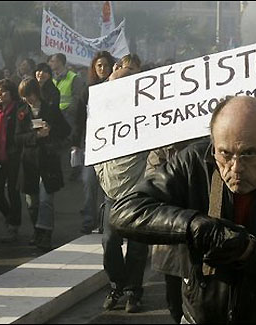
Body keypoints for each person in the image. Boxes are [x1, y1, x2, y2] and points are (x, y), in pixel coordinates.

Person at [111, 96, 256, 323]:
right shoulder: (195, 162)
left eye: (248, 154)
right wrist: (192, 226)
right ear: (213, 144)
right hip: (200, 316)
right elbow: (125, 211)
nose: (236, 168)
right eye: (225, 154)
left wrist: (249, 251)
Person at [94, 55, 150, 313]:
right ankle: (117, 284)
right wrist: (101, 171)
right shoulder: (103, 103)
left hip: (138, 189)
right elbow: (96, 141)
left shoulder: (148, 105)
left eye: (130, 72)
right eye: (120, 69)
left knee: (138, 246)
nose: (123, 74)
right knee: (109, 242)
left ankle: (132, 293)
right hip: (111, 189)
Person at [144, 140, 197, 323]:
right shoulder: (160, 150)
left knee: (202, 302)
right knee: (174, 301)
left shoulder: (205, 147)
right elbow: (152, 185)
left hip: (201, 234)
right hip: (172, 235)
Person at [16, 77, 71, 251]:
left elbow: (66, 130)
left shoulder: (51, 109)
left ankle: (45, 233)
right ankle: (37, 231)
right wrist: (35, 136)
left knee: (46, 199)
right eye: (24, 96)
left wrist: (51, 130)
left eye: (30, 94)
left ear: (36, 92)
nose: (28, 99)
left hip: (48, 160)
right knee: (32, 202)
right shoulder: (21, 112)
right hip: (29, 161)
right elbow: (16, 138)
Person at [73, 51, 115, 235]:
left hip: (113, 143)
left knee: (109, 184)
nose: (103, 69)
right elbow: (79, 119)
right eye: (99, 66)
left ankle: (106, 221)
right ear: (94, 68)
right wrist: (76, 143)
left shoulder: (118, 88)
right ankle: (89, 219)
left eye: (106, 65)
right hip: (91, 143)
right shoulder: (87, 91)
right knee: (89, 181)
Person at [0, 78, 22, 243]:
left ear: (11, 93)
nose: (0, 95)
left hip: (13, 157)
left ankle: (14, 226)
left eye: (4, 91)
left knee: (13, 193)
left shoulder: (18, 110)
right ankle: (10, 217)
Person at [48, 53, 84, 182]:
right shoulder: (51, 79)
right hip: (56, 117)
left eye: (53, 61)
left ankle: (75, 170)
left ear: (60, 62)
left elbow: (77, 97)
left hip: (69, 116)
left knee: (71, 144)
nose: (50, 63)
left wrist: (68, 112)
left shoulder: (74, 77)